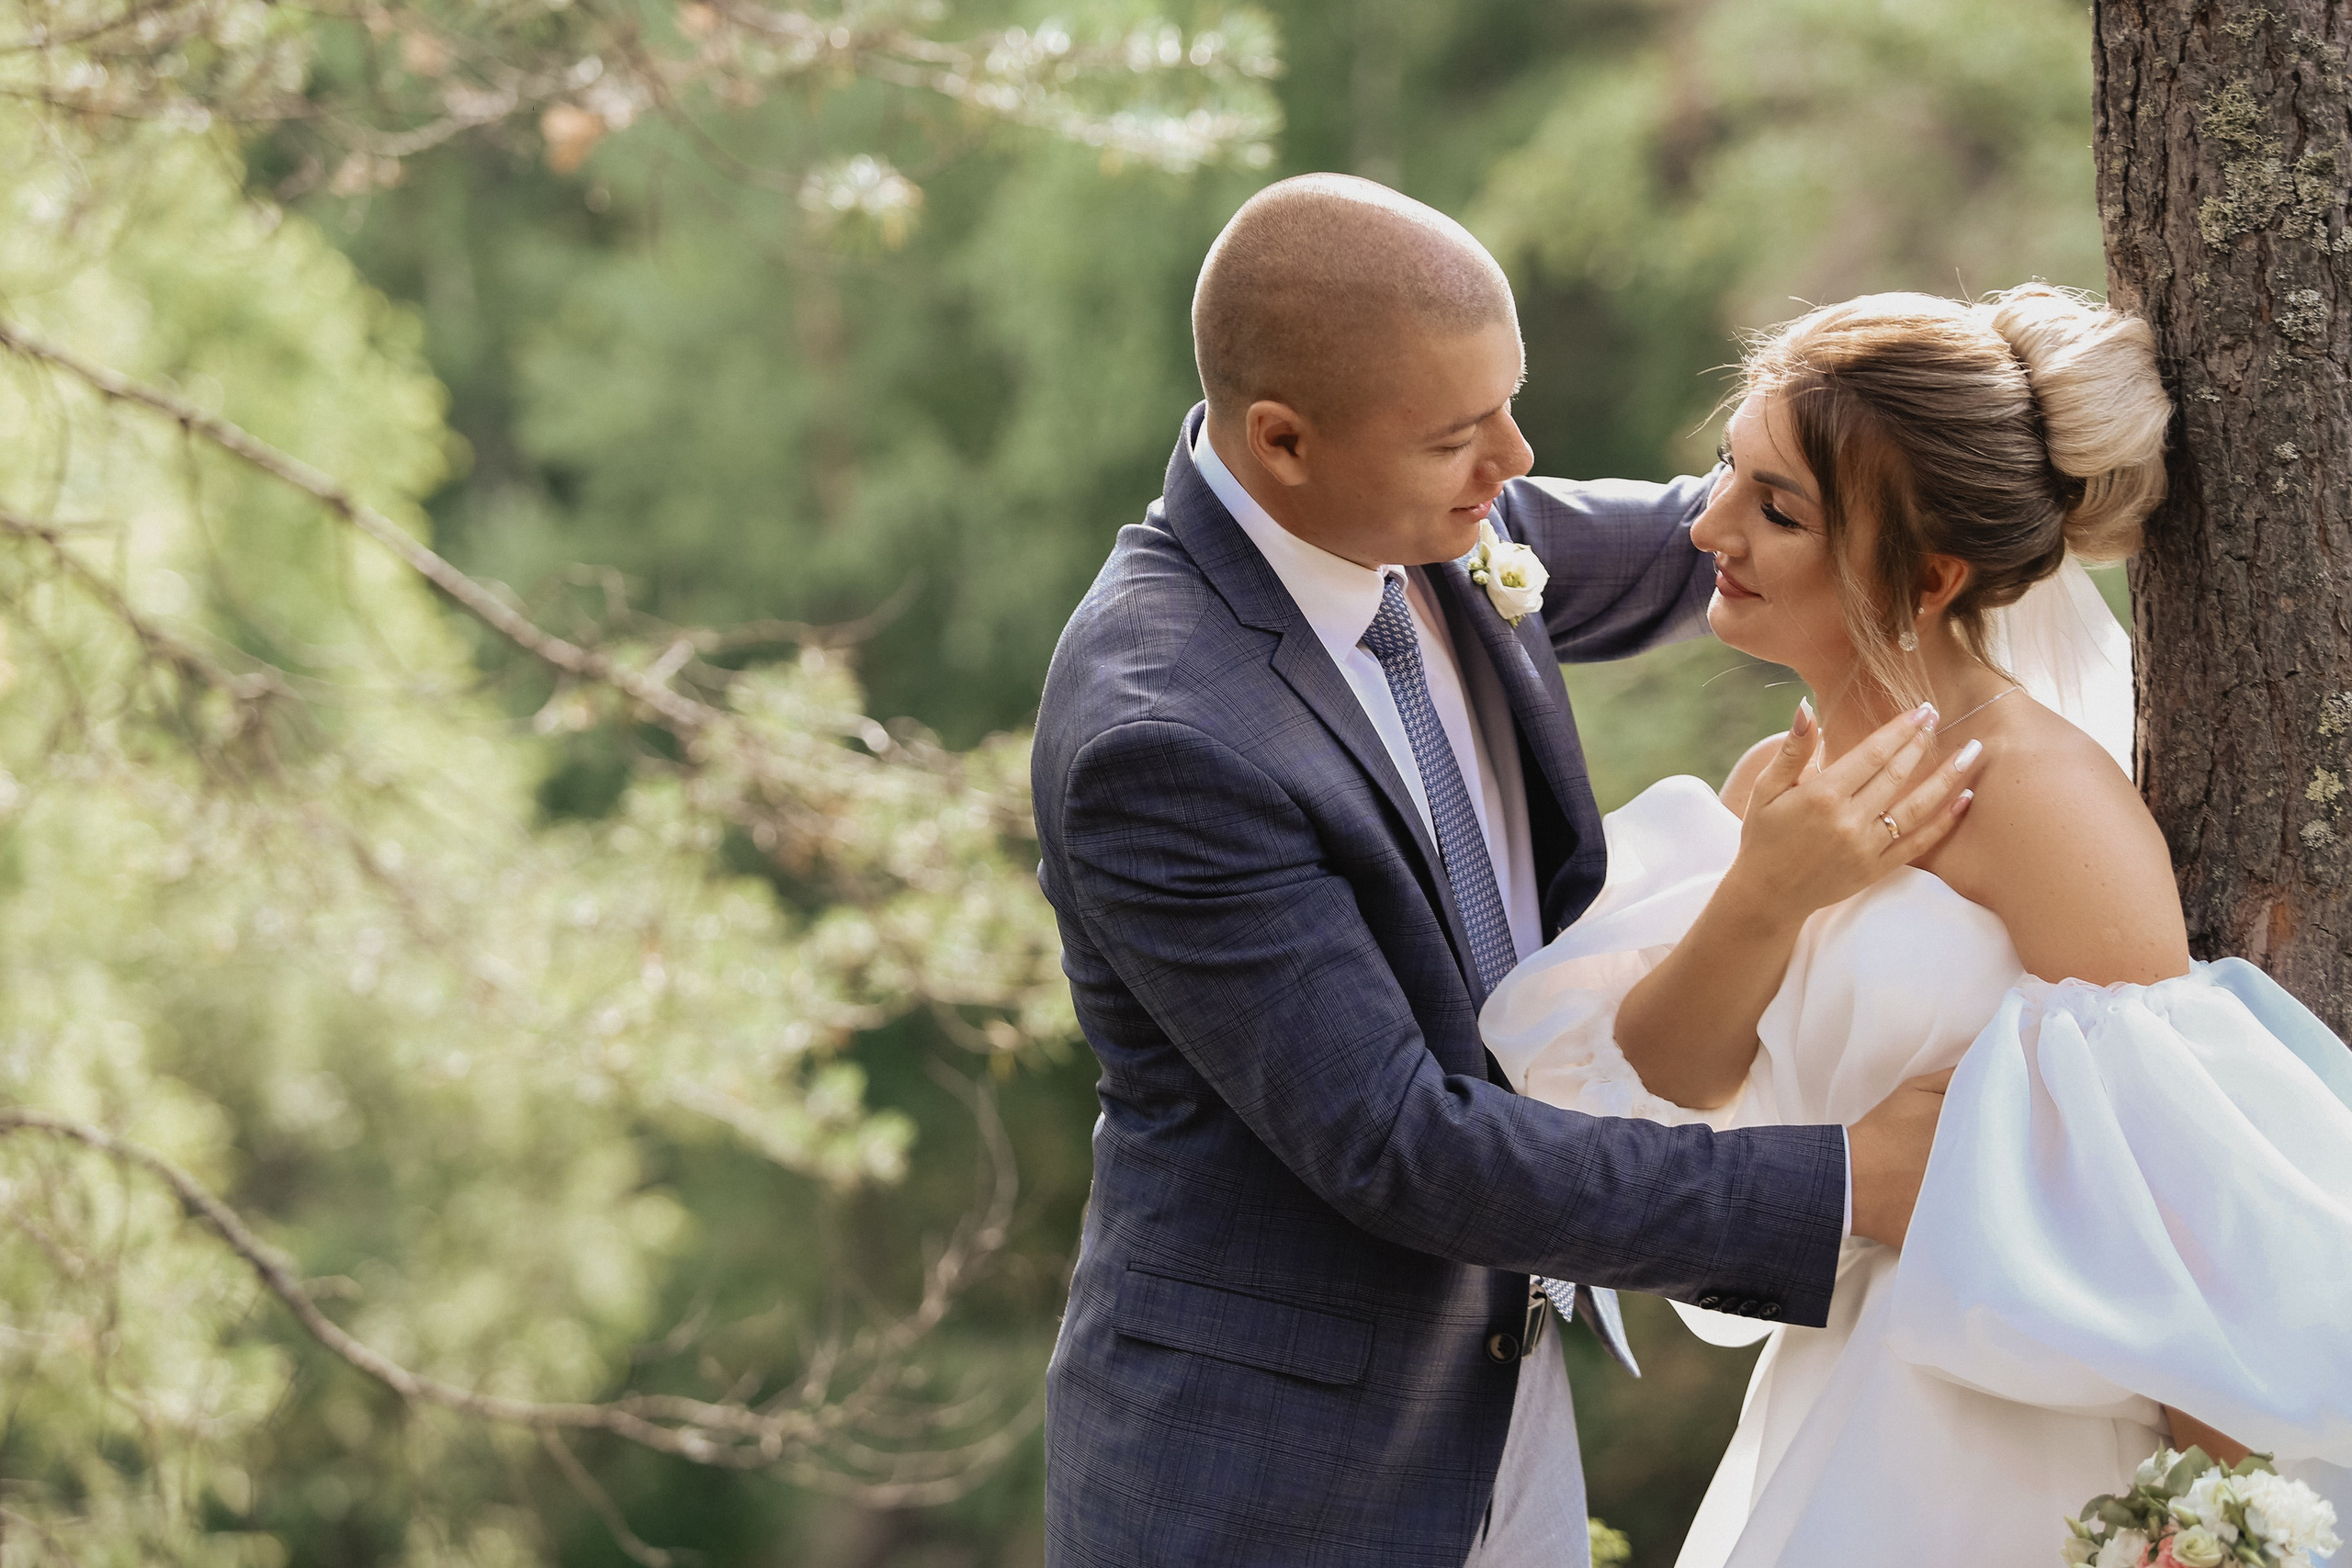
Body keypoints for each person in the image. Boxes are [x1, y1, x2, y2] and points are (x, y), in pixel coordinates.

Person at [1029, 173, 1972, 1567]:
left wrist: (1995, 447)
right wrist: (1845, 1186)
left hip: (1507, 1399)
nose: (1514, 462)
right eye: (1460, 437)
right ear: (1282, 441)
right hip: (1272, 1479)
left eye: (1509, 407)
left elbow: (1721, 538)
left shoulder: (1443, 524)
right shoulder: (1163, 735)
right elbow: (1403, 1148)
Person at [1482, 285, 2352, 1567]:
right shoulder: (1776, 786)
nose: (1709, 526)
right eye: (1728, 471)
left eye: (1777, 510)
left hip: (2029, 1447)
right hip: (1844, 1410)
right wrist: (1767, 891)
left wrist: (2211, 1534)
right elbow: (1665, 1078)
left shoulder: (2042, 802)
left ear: (1932, 576)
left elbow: (2177, 1204)